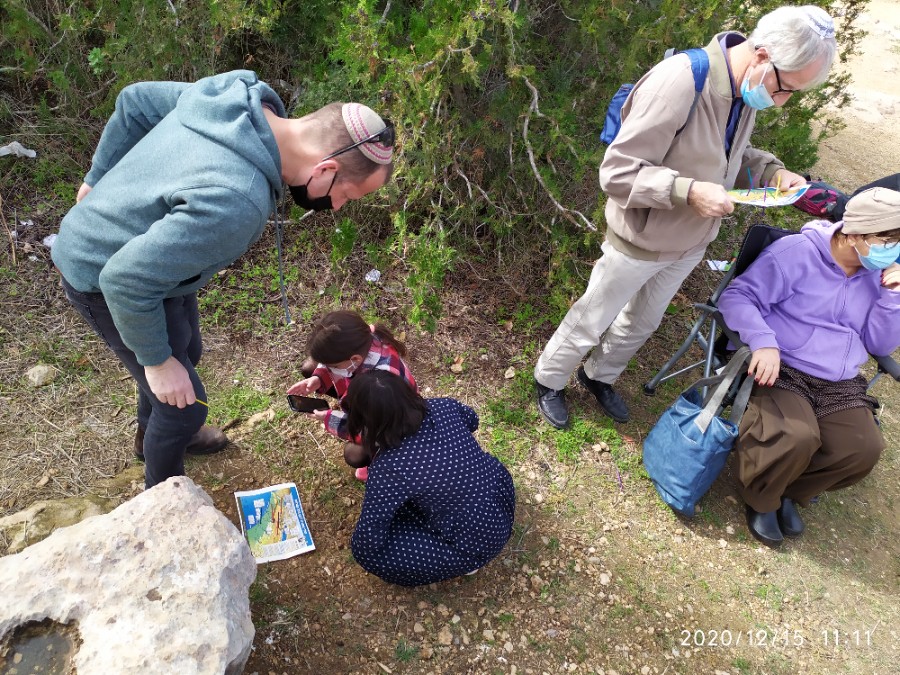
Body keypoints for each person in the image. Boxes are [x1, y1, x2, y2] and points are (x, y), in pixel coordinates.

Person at [51, 70, 395, 489]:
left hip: (151, 262)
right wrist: (157, 363)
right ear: (325, 169)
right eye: (347, 195)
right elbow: (123, 281)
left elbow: (135, 100)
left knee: (187, 348)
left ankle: (149, 435)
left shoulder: (235, 99)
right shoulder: (236, 200)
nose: (338, 207)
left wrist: (95, 178)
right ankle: (163, 499)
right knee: (183, 407)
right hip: (100, 271)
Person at [534, 6, 837, 429]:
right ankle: (549, 380)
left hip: (691, 241)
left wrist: (772, 171)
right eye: (786, 89)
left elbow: (726, 156)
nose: (783, 102)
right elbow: (618, 171)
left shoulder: (743, 88)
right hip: (639, 236)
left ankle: (598, 376)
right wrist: (688, 192)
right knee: (595, 314)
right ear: (763, 56)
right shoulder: (680, 81)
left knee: (643, 320)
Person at [718, 187, 900, 547]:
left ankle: (788, 489)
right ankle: (761, 497)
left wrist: (893, 298)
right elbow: (737, 295)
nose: (892, 251)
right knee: (798, 436)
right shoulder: (797, 254)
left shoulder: (880, 278)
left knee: (862, 449)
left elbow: (879, 344)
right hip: (782, 363)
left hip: (837, 378)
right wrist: (763, 341)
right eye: (887, 240)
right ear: (854, 235)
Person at [344, 370, 515, 586]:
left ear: (364, 421)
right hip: (501, 500)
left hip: (476, 542)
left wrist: (359, 544)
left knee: (367, 553)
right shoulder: (444, 406)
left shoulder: (388, 468)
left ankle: (467, 561)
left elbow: (370, 535)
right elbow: (472, 420)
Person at [287, 310, 417, 481]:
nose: (328, 368)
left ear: (354, 359)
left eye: (331, 366)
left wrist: (329, 418)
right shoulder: (363, 342)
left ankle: (378, 459)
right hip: (371, 402)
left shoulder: (378, 386)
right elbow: (335, 364)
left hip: (389, 422)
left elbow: (370, 430)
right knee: (309, 368)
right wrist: (318, 378)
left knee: (354, 454)